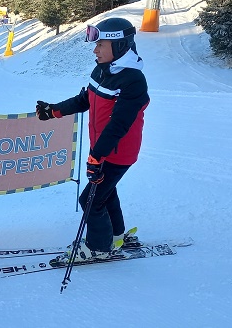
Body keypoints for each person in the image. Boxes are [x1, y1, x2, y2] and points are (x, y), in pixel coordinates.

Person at [35, 17, 149, 262]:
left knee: (89, 198)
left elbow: (119, 123)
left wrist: (97, 156)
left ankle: (99, 247)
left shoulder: (133, 81)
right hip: (103, 150)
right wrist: (53, 111)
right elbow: (85, 99)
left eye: (100, 45)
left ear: (119, 46)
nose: (95, 50)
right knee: (105, 191)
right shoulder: (102, 70)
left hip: (117, 152)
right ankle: (116, 235)